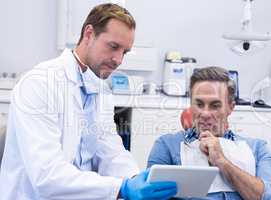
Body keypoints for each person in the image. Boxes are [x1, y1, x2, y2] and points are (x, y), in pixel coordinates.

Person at [0, 3, 177, 199]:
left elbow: (110, 151)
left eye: (124, 52)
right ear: (89, 34)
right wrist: (121, 188)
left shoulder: (100, 89)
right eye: (113, 47)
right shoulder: (39, 84)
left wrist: (135, 177)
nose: (118, 60)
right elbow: (47, 176)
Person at [147, 66, 271, 200]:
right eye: (199, 104)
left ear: (230, 108)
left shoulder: (257, 148)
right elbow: (148, 194)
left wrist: (221, 161)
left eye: (215, 105)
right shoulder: (167, 146)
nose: (205, 113)